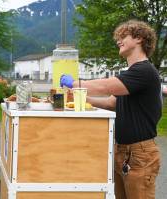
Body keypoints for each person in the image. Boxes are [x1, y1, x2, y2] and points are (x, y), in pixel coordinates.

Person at [61, 20, 161, 199]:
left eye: (123, 36)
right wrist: (81, 98)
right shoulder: (130, 74)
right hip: (122, 151)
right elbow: (111, 103)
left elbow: (105, 87)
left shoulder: (144, 71)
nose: (118, 41)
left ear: (139, 38)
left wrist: (74, 84)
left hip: (140, 153)